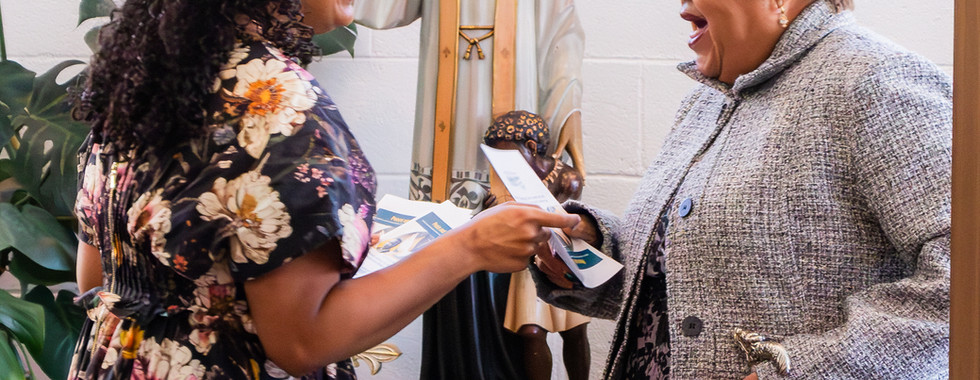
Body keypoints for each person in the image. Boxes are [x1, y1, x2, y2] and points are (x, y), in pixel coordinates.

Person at [67, 0, 579, 379]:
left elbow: (96, 274)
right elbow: (301, 342)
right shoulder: (282, 113)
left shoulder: (141, 86)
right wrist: (468, 247)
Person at [533, 0, 951, 379]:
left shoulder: (876, 79)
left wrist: (795, 372)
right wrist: (588, 247)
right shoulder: (706, 103)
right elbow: (685, 285)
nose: (680, 6)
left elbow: (962, 287)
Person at [354, 1, 585, 378]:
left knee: (512, 287)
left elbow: (562, 31)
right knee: (447, 252)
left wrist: (568, 109)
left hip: (515, 136)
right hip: (445, 146)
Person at [483, 110, 589, 380]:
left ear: (530, 147)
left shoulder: (567, 178)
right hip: (530, 259)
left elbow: (563, 220)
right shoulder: (512, 178)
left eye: (508, 155)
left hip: (561, 257)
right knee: (530, 332)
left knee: (574, 330)